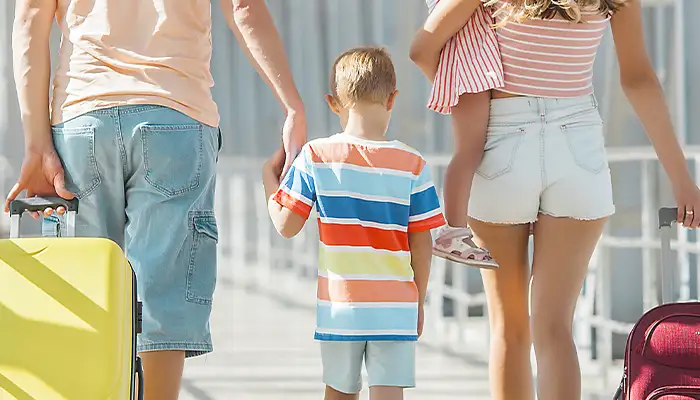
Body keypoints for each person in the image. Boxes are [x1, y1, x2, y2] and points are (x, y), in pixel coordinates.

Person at [6, 0, 306, 398]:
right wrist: (292, 106)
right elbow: (245, 8)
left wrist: (35, 144)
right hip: (175, 116)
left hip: (83, 118)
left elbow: (30, 18)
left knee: (84, 290)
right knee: (163, 293)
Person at [417, 0, 700, 399]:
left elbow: (424, 46)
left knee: (509, 329)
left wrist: (461, 89)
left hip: (502, 144)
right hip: (578, 149)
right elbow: (638, 79)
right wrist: (681, 178)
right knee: (554, 330)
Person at [261, 47, 445, 400]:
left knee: (340, 393)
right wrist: (417, 301)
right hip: (395, 307)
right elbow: (422, 242)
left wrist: (269, 180)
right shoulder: (414, 165)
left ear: (334, 104)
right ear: (393, 99)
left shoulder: (316, 156)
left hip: (340, 306)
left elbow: (286, 225)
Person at [410, 0, 501, 269]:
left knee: (469, 150)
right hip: (471, 63)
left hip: (470, 61)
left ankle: (454, 229)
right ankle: (453, 230)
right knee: (468, 151)